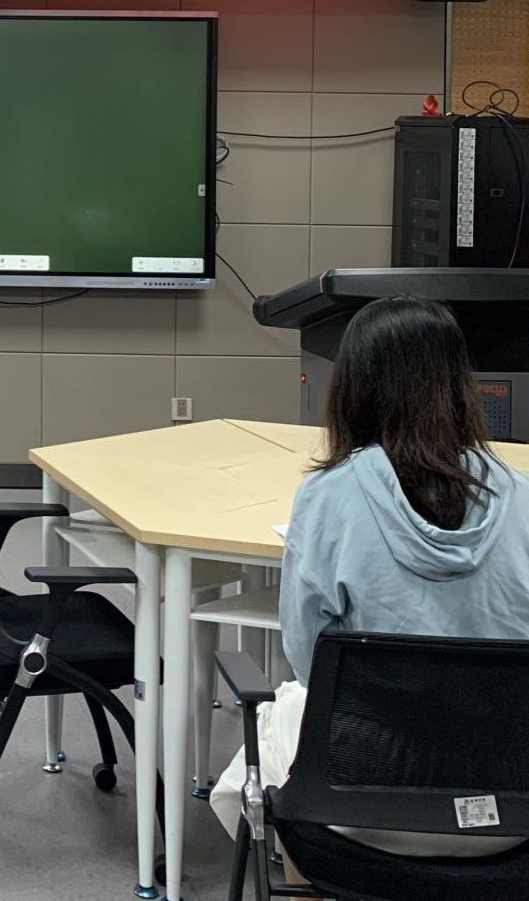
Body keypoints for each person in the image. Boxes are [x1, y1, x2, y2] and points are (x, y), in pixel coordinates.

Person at [210, 295, 529, 859]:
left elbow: (308, 660)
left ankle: (316, 878)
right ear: (461, 384)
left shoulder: (328, 496)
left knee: (277, 722)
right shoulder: (522, 498)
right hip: (508, 815)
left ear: (352, 387)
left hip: (359, 808)